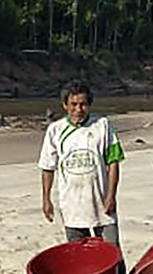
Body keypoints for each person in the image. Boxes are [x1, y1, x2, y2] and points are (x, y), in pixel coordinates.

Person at [39, 81, 125, 250]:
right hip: (71, 203)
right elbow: (48, 167)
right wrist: (46, 199)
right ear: (65, 105)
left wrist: (111, 196)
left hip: (101, 202)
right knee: (79, 252)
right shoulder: (55, 130)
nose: (78, 109)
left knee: (111, 250)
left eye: (83, 104)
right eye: (74, 104)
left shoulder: (102, 125)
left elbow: (113, 162)